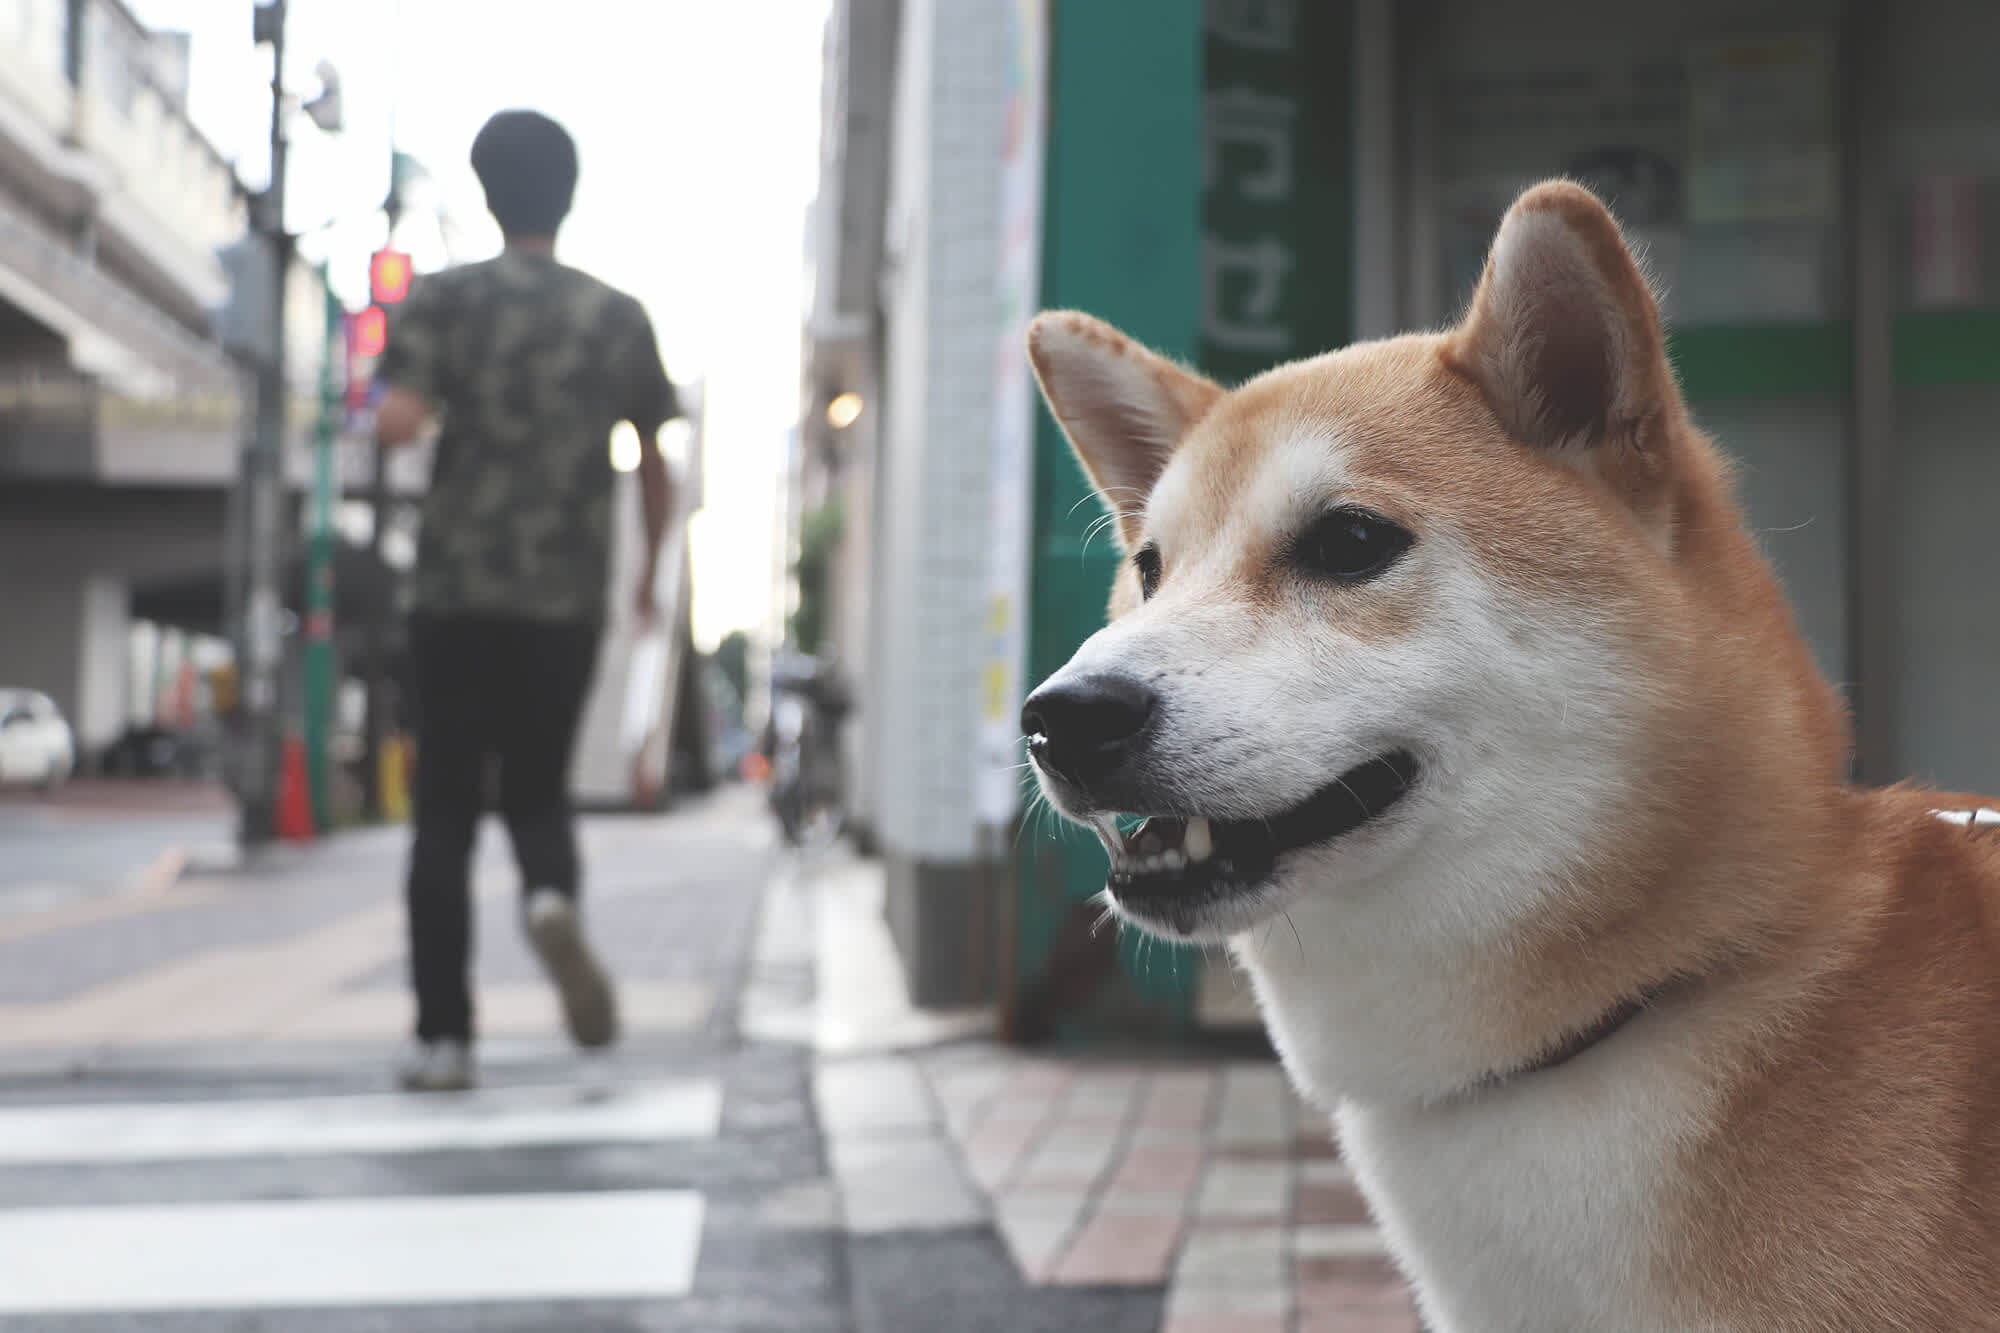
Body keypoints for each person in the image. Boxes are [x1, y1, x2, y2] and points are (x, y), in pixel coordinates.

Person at [374, 109, 680, 1092]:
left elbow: (396, 422)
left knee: (446, 812)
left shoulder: (443, 300)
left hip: (454, 592)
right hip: (563, 597)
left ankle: (444, 1038)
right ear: (569, 192)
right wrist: (642, 576)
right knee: (539, 791)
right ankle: (548, 898)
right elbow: (651, 464)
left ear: (486, 191)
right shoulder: (614, 314)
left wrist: (422, 402)